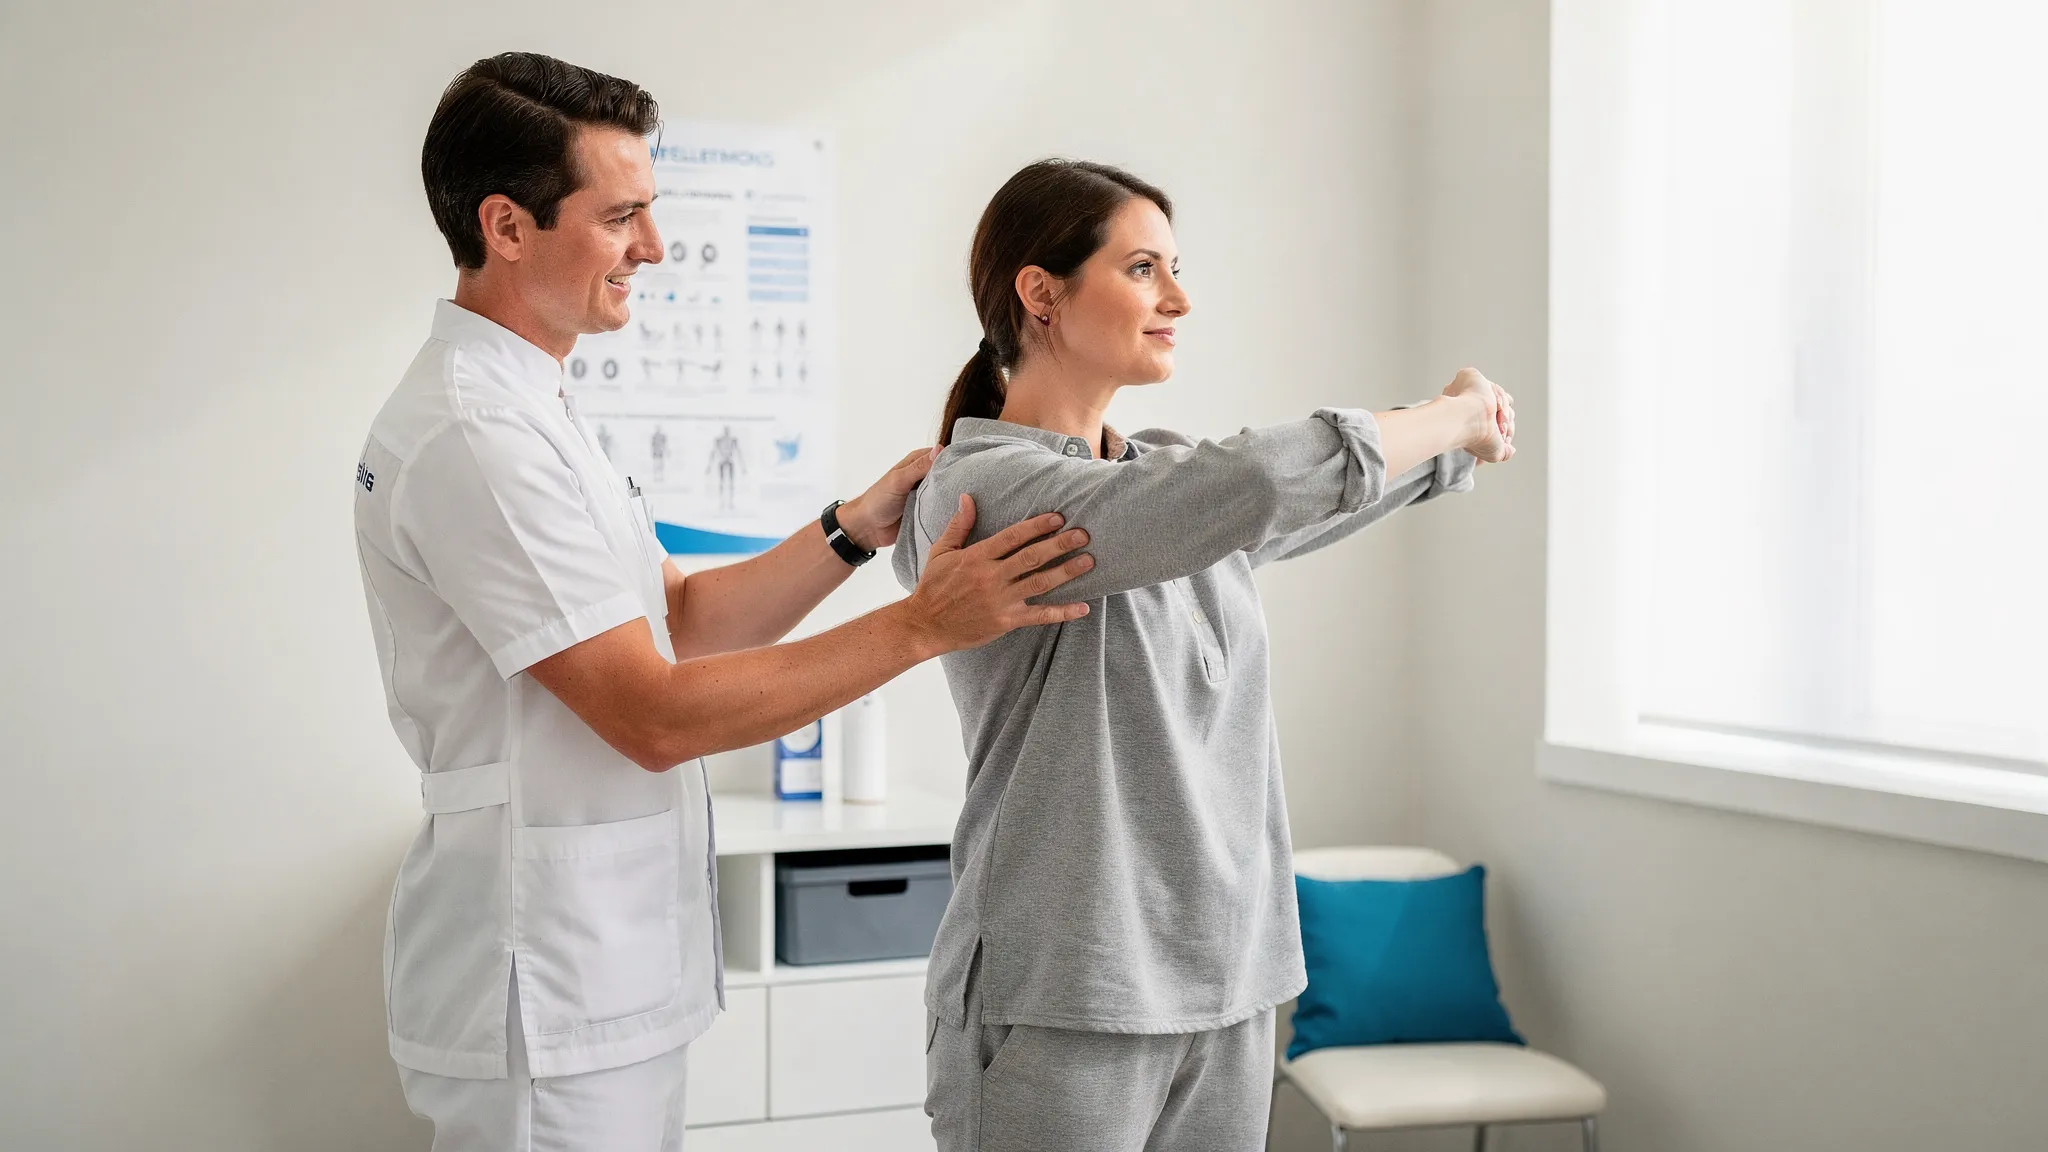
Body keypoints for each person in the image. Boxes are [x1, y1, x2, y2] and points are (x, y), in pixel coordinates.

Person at [353, 55, 1093, 1152]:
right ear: (507, 227)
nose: (654, 248)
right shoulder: (478, 436)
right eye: (622, 218)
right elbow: (652, 713)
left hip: (600, 973)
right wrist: (924, 623)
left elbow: (683, 618)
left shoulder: (536, 406)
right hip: (545, 990)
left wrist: (848, 529)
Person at [893, 159, 1516, 1152]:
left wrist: (1451, 445)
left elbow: (1296, 498)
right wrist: (1449, 421)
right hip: (1062, 993)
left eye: (1173, 269)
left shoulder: (1160, 484)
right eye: (1143, 270)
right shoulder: (984, 494)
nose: (1177, 299)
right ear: (1039, 291)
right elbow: (1257, 484)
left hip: (1228, 983)